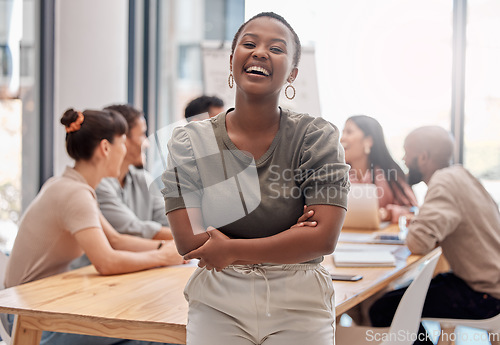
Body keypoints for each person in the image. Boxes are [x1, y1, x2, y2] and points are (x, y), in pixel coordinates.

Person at [163, 12, 350, 345]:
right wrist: (289, 239)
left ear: (292, 73)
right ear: (232, 61)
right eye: (249, 43)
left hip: (300, 298)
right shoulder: (188, 142)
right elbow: (189, 242)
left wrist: (231, 248)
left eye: (276, 48)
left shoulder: (317, 137)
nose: (260, 52)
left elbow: (322, 239)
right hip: (218, 297)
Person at [5, 108, 183, 345]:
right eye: (122, 142)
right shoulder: (74, 193)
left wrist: (166, 247)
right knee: (154, 336)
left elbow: (116, 240)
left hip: (44, 305)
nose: (125, 150)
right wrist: (162, 257)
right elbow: (106, 261)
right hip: (31, 316)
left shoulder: (73, 186)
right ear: (105, 148)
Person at [369, 126, 500, 344]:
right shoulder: (461, 174)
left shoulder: (443, 182)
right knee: (402, 299)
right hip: (486, 282)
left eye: (407, 152)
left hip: (484, 295)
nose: (403, 159)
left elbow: (418, 243)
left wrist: (417, 223)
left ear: (423, 157)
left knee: (383, 309)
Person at [340, 115, 417, 222]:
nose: (342, 138)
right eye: (343, 132)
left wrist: (389, 213)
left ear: (368, 141)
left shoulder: (389, 173)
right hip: (345, 237)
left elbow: (414, 210)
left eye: (349, 132)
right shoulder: (337, 176)